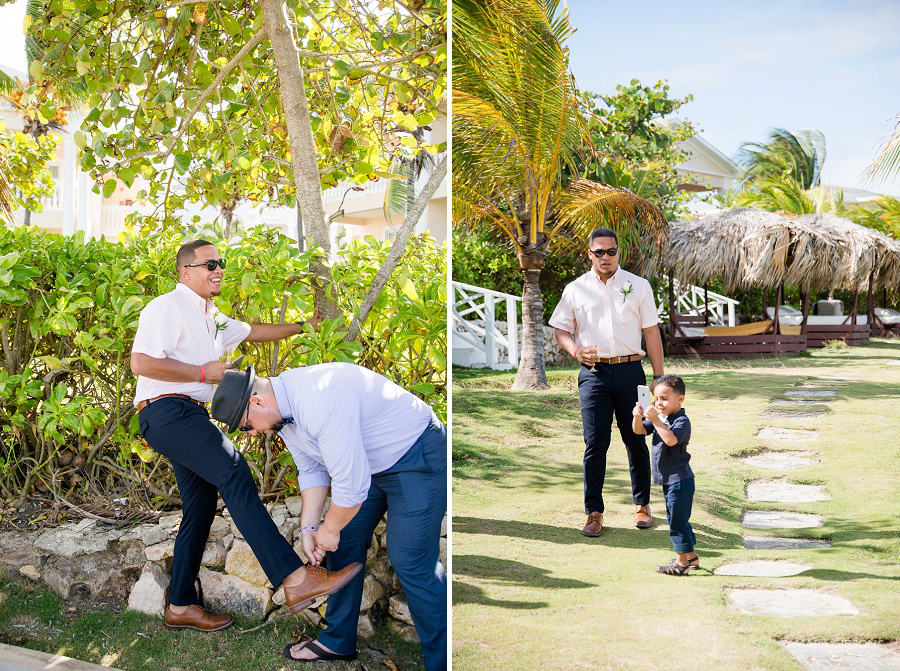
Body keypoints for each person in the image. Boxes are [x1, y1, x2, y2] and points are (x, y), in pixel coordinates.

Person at [131, 239, 361, 633]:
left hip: (185, 414)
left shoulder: (212, 317)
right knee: (235, 470)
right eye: (210, 264)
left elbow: (254, 331)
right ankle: (295, 578)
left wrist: (305, 327)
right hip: (166, 410)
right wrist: (205, 374)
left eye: (221, 263)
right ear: (186, 271)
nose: (219, 269)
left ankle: (180, 604)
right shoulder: (166, 307)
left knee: (201, 508)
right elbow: (141, 362)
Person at [210, 363, 447, 670]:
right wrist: (310, 527)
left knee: (410, 558)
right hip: (371, 464)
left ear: (257, 402)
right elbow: (311, 469)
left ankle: (441, 661)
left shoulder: (318, 398)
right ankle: (338, 642)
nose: (253, 432)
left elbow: (351, 487)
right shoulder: (283, 414)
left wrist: (328, 530)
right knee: (345, 541)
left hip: (416, 455)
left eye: (246, 426)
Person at [549, 228, 664, 537]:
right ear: (590, 254)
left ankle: (642, 505)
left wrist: (659, 377)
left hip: (630, 372)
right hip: (594, 375)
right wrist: (575, 350)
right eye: (598, 252)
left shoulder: (638, 286)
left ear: (618, 252)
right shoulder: (575, 289)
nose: (605, 257)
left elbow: (651, 332)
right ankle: (594, 512)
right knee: (595, 444)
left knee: (636, 438)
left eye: (610, 251)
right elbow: (560, 329)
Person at [632, 375, 697, 575]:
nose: (659, 403)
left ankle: (681, 565)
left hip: (680, 479)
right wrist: (637, 416)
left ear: (680, 399)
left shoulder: (681, 421)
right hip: (669, 480)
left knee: (677, 522)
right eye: (656, 399)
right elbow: (639, 431)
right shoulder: (662, 418)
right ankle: (691, 558)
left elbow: (670, 440)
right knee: (677, 519)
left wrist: (655, 420)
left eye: (664, 398)